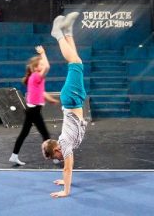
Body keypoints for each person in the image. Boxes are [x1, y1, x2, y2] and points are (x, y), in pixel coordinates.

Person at [41, 11, 88, 198]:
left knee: (75, 63)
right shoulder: (63, 144)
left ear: (57, 150)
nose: (59, 160)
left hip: (71, 99)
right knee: (77, 62)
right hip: (75, 100)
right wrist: (63, 180)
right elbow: (66, 172)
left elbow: (68, 169)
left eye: (56, 157)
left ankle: (58, 34)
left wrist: (65, 191)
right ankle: (68, 32)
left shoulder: (65, 145)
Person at [9, 45, 59, 166]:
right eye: (40, 65)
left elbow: (41, 92)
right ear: (35, 68)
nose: (43, 66)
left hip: (32, 110)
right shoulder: (36, 76)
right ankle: (55, 157)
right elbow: (48, 66)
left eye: (42, 64)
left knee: (24, 133)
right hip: (34, 111)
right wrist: (43, 53)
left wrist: (50, 99)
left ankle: (14, 156)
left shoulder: (35, 78)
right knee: (45, 134)